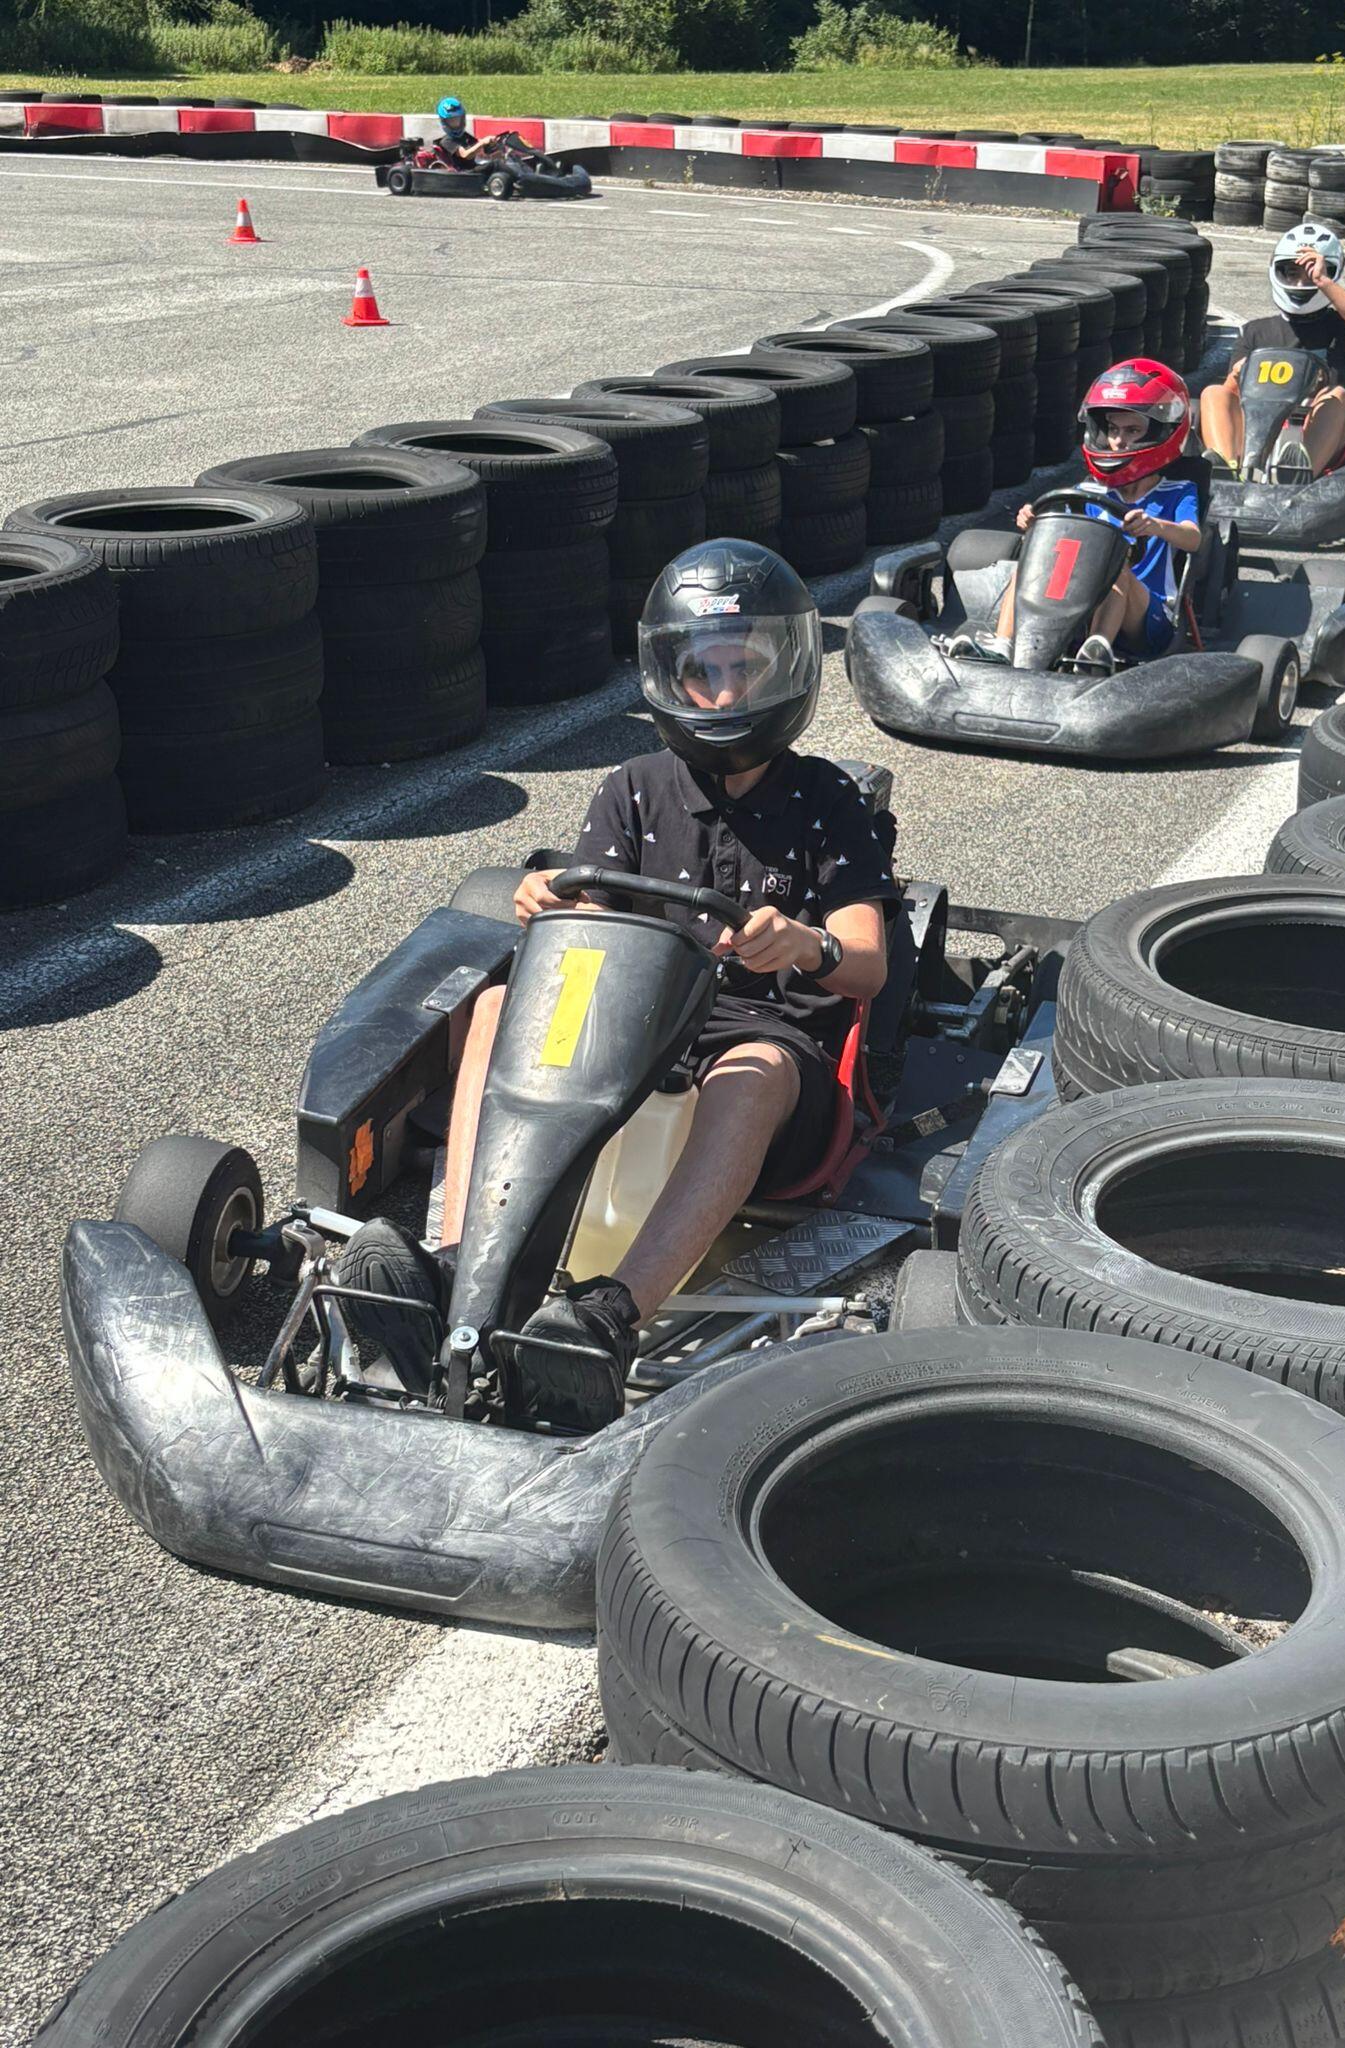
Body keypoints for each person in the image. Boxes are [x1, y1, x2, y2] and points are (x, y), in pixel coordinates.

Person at [335, 540, 898, 1432]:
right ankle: (456, 1264)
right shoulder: (636, 788)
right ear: (671, 676)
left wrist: (802, 942)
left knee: (748, 1071)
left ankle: (609, 1317)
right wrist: (548, 900)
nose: (724, 695)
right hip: (636, 1023)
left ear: (784, 671)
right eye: (703, 673)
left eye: (743, 671)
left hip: (768, 1041)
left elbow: (868, 960)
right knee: (499, 1004)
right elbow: (586, 925)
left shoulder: (826, 800)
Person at [994, 358, 1201, 672]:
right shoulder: (1088, 492)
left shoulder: (1178, 491)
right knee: (1029, 564)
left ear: (1163, 431)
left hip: (1151, 619)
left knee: (1115, 565)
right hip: (1082, 604)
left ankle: (1095, 653)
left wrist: (1156, 526)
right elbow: (1060, 541)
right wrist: (1034, 524)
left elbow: (1193, 539)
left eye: (1133, 430)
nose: (1118, 440)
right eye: (1113, 429)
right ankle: (1002, 645)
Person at [1199, 222, 1345, 482]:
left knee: (1336, 395)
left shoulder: (1342, 327)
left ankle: (1298, 472)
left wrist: (1322, 282)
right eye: (1292, 272)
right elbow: (1232, 394)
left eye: (1310, 273)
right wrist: (1239, 374)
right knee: (1213, 392)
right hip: (1257, 429)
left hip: (1320, 430)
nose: (1300, 282)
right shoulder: (1255, 331)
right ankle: (1226, 468)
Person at [434, 95, 496, 167]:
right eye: (451, 121)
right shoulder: (446, 141)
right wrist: (483, 143)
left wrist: (492, 143)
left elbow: (477, 145)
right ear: (444, 122)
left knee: (497, 163)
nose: (455, 123)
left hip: (474, 168)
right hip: (462, 172)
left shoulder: (464, 136)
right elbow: (465, 155)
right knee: (496, 165)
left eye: (457, 119)